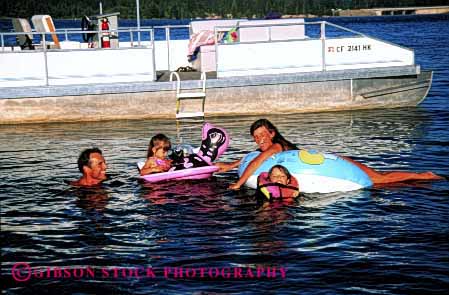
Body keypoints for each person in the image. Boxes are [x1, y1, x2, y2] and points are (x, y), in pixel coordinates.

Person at [216, 118, 444, 190]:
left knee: (379, 180)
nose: (260, 140)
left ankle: (426, 176)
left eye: (263, 135)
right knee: (377, 180)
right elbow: (251, 157)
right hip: (334, 161)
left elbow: (257, 161)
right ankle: (422, 177)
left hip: (337, 164)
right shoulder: (268, 148)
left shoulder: (276, 147)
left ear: (273, 133)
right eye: (256, 137)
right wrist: (229, 166)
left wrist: (238, 183)